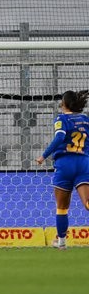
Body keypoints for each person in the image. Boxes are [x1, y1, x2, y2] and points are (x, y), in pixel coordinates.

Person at [36, 90, 89, 250]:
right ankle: (60, 240)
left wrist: (43, 156)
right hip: (84, 162)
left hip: (65, 163)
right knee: (87, 203)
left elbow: (59, 137)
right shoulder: (85, 120)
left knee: (62, 207)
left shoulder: (62, 119)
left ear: (63, 103)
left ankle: (61, 242)